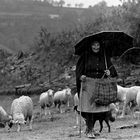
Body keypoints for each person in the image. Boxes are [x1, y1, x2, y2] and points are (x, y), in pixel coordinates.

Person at [76, 41, 118, 138]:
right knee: (89, 108)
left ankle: (90, 129)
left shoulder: (104, 56)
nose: (96, 47)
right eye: (93, 45)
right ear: (90, 46)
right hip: (88, 84)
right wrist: (80, 76)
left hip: (100, 85)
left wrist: (109, 72)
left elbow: (113, 71)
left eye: (98, 45)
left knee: (97, 109)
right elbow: (78, 70)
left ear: (100, 46)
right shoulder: (85, 56)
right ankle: (90, 129)